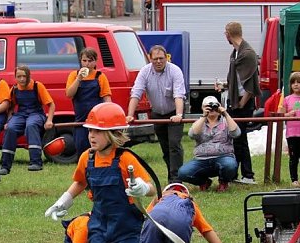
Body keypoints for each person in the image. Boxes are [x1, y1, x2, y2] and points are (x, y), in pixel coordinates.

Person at [44, 102, 156, 243]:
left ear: (113, 134)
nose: (91, 136)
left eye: (97, 131)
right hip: (99, 222)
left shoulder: (125, 159)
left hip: (126, 225)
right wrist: (63, 201)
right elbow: (79, 181)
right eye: (90, 130)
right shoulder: (87, 157)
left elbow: (151, 186)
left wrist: (142, 189)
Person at [126, 45, 187, 184]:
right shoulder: (145, 72)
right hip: (157, 114)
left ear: (166, 58)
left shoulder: (175, 71)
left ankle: (176, 180)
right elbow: (136, 93)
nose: (158, 61)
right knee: (165, 148)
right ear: (149, 58)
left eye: (161, 58)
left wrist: (178, 114)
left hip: (174, 113)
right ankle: (172, 175)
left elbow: (179, 94)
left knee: (174, 145)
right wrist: (130, 115)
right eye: (155, 59)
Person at [218, 21, 258, 185]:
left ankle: (248, 175)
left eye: (225, 33)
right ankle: (235, 173)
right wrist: (225, 86)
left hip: (243, 104)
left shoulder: (247, 53)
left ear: (229, 33)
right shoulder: (235, 53)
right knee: (235, 139)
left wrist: (242, 102)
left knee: (240, 138)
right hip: (234, 102)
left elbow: (251, 82)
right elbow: (237, 80)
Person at [177, 96, 241, 192]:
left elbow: (236, 134)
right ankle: (204, 182)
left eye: (215, 106)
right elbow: (192, 134)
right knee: (183, 172)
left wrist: (225, 114)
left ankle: (223, 182)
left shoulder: (226, 121)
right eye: (208, 106)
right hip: (201, 159)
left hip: (223, 157)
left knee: (230, 165)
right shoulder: (199, 122)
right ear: (202, 108)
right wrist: (204, 116)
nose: (212, 109)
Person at [0, 65, 54, 174]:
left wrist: (49, 120)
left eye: (24, 76)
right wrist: (8, 121)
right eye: (19, 76)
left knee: (31, 125)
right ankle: (5, 166)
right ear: (15, 77)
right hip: (21, 114)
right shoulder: (14, 89)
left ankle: (36, 162)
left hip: (36, 113)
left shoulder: (37, 86)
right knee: (10, 129)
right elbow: (10, 107)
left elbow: (51, 105)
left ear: (29, 76)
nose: (22, 79)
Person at [65, 48, 112, 156]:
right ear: (80, 61)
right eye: (84, 61)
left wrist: (109, 114)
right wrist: (79, 79)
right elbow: (69, 94)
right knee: (81, 146)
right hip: (80, 119)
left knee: (99, 147)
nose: (87, 64)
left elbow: (107, 98)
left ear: (95, 62)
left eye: (90, 61)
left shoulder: (100, 76)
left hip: (97, 119)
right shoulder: (73, 75)